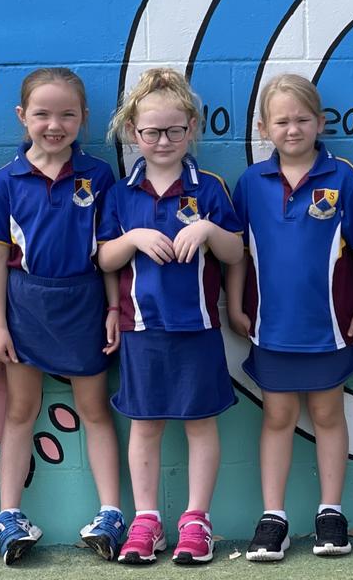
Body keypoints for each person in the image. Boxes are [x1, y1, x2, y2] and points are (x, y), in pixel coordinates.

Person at [97, 68, 244, 565]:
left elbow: (236, 252)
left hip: (198, 328)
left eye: (174, 130)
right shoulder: (120, 194)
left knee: (200, 424)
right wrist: (133, 239)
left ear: (192, 128)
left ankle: (196, 521)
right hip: (141, 330)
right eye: (151, 132)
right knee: (146, 424)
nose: (163, 140)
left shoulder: (210, 188)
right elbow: (103, 259)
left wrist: (206, 228)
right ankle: (145, 521)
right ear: (132, 133)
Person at [226, 74, 353, 561]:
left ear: (321, 122)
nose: (293, 129)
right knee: (278, 416)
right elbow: (237, 253)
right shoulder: (250, 182)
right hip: (271, 327)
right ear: (264, 126)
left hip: (329, 325)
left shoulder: (343, 177)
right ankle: (275, 517)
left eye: (303, 119)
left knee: (329, 415)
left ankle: (331, 512)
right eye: (282, 121)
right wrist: (234, 302)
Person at [0, 68, 124, 564]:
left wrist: (113, 307)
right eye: (42, 114)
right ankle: (9, 516)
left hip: (83, 302)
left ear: (84, 118)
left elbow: (108, 251)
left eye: (67, 114)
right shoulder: (6, 181)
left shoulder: (99, 176)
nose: (54, 124)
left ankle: (110, 513)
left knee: (94, 409)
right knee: (21, 410)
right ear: (23, 118)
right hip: (25, 306)